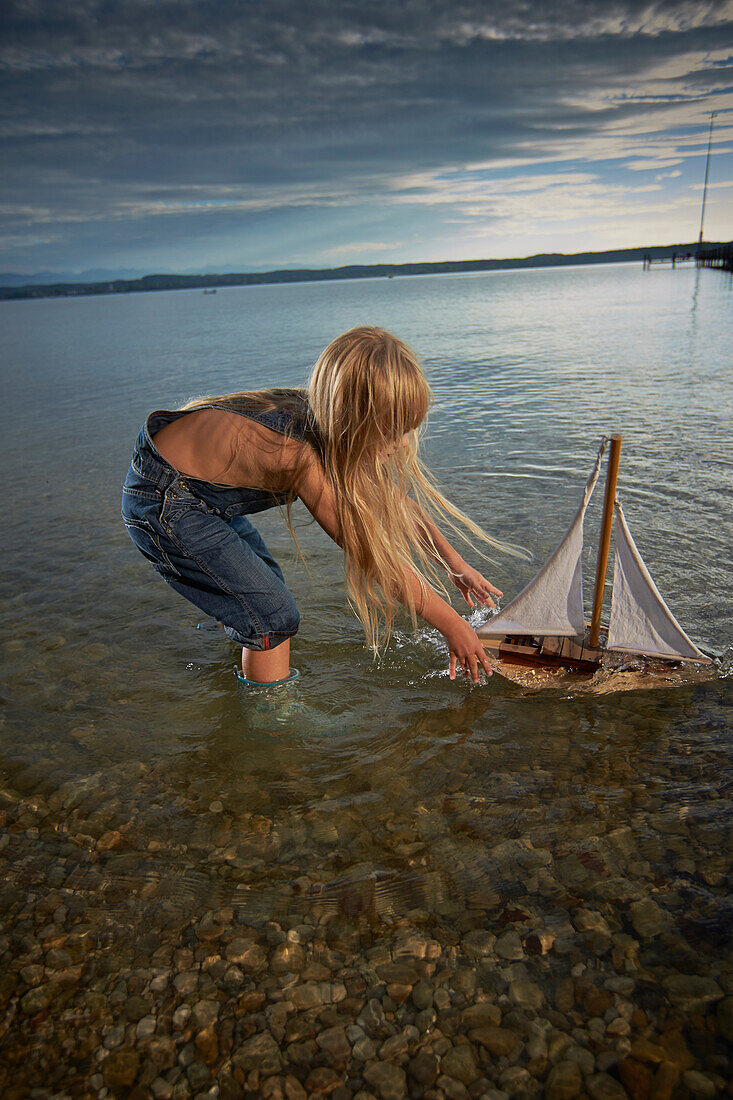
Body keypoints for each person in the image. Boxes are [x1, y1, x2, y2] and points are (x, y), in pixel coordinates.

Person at [121, 326, 505, 690]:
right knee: (273, 614)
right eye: (394, 432)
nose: (404, 444)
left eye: (409, 430)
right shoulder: (298, 455)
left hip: (193, 491)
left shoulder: (328, 422)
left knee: (263, 582)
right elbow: (371, 557)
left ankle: (242, 635)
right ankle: (272, 722)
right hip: (165, 501)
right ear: (354, 421)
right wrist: (453, 625)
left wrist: (456, 565)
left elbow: (395, 503)